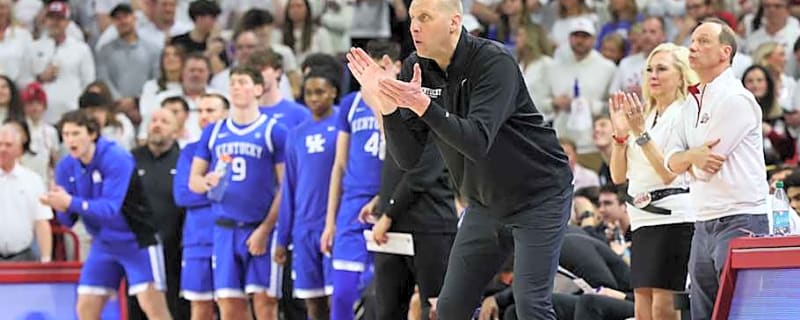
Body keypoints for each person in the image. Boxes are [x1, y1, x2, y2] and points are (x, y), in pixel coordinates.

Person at [346, 0, 574, 318]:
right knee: (450, 307)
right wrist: (387, 107)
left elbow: (476, 141)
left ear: (454, 22)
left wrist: (424, 106)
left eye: (424, 17)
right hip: (485, 203)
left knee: (530, 303)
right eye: (412, 18)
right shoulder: (418, 66)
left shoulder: (494, 62)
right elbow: (409, 158)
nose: (413, 26)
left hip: (538, 196)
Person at [664, 18, 770, 320]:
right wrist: (689, 158)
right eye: (692, 41)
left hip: (741, 219)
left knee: (739, 313)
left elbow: (704, 168)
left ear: (725, 52)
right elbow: (670, 164)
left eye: (703, 41)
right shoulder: (690, 102)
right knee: (703, 314)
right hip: (703, 221)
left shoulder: (736, 99)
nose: (692, 47)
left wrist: (686, 160)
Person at [43, 110, 171, 320]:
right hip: (103, 243)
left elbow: (110, 208)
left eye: (76, 133)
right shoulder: (66, 166)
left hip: (137, 241)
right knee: (85, 308)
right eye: (66, 135)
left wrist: (70, 202)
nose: (70, 140)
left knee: (153, 307)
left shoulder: (116, 157)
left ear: (92, 134)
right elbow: (68, 220)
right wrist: (58, 204)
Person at [189, 66, 287, 320]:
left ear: (257, 89)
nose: (235, 87)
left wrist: (265, 230)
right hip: (224, 230)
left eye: (242, 81)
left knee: (265, 306)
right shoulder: (214, 131)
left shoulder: (273, 130)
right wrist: (207, 182)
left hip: (260, 227)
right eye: (232, 82)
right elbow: (194, 182)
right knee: (230, 307)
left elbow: (285, 186)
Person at [608, 42, 698, 320]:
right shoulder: (644, 114)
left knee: (664, 305)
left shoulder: (686, 113)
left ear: (682, 75)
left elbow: (668, 171)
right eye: (649, 69)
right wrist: (621, 137)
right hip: (642, 217)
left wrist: (640, 133)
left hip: (674, 215)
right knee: (642, 306)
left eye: (661, 69)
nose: (653, 75)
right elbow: (618, 176)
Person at [323, 44, 387, 320]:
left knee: (382, 294)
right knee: (342, 294)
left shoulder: (399, 102)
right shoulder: (350, 104)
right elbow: (339, 165)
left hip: (388, 203)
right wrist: (330, 222)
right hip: (352, 205)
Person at [275, 70, 340, 320]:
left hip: (333, 225)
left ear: (333, 92)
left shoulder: (342, 127)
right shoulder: (296, 134)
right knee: (312, 302)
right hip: (303, 228)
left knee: (338, 298)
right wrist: (282, 238)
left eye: (320, 92)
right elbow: (288, 187)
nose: (314, 98)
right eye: (309, 93)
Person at [173, 93, 229, 320]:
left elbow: (244, 193)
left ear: (226, 114)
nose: (204, 116)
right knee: (200, 307)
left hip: (229, 235)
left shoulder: (236, 147)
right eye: (201, 111)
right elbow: (183, 195)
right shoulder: (189, 150)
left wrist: (204, 187)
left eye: (211, 110)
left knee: (232, 304)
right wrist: (217, 192)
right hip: (197, 239)